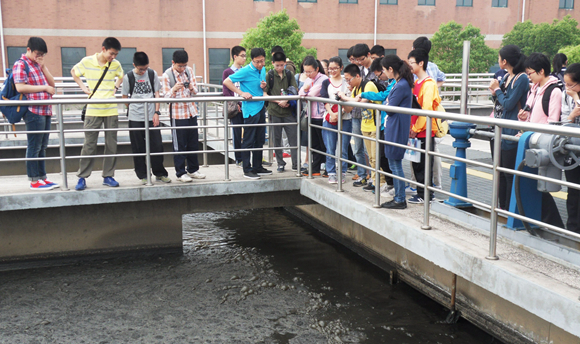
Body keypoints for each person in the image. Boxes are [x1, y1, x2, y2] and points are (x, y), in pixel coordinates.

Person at [516, 52, 564, 229]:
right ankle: (545, 221)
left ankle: (553, 223)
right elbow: (531, 114)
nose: (529, 77)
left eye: (530, 73)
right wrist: (524, 118)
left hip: (542, 143)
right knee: (532, 182)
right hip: (532, 140)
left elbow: (553, 121)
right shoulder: (535, 89)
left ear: (541, 71)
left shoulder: (554, 91)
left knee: (542, 185)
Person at [72, 37, 123, 191]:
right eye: (111, 53)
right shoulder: (88, 61)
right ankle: (82, 177)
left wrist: (115, 87)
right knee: (89, 144)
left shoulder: (115, 64)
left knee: (111, 144)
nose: (113, 57)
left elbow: (121, 76)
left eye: (115, 55)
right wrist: (83, 87)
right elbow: (74, 72)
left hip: (111, 109)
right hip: (93, 109)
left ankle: (108, 175)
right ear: (103, 49)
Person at [13, 37, 57, 190]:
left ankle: (42, 177)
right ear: (28, 50)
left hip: (45, 109)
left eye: (42, 54)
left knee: (42, 146)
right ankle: (34, 180)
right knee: (34, 146)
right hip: (33, 110)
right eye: (37, 54)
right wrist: (44, 88)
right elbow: (20, 87)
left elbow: (53, 84)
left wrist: (44, 67)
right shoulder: (21, 64)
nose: (40, 57)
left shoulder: (38, 65)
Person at [489, 45, 529, 211]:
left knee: (508, 174)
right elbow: (500, 103)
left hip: (511, 131)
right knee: (500, 173)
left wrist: (497, 89)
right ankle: (502, 208)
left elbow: (508, 103)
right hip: (500, 128)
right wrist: (495, 93)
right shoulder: (506, 77)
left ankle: (510, 211)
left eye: (499, 58)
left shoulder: (522, 78)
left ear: (504, 61)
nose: (498, 60)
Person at [121, 51, 170, 185]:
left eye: (145, 68)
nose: (143, 71)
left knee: (157, 146)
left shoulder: (152, 74)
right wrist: (133, 108)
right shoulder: (128, 77)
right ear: (134, 65)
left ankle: (160, 173)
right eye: (141, 69)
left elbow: (157, 94)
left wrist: (156, 112)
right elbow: (125, 97)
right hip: (135, 117)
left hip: (151, 116)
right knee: (138, 147)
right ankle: (143, 175)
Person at [223, 48, 272, 180]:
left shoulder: (262, 70)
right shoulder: (245, 70)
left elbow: (261, 87)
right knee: (249, 140)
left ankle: (257, 166)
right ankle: (247, 169)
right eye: (257, 62)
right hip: (250, 110)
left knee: (260, 139)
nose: (260, 64)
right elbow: (227, 81)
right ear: (252, 60)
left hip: (261, 107)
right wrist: (241, 93)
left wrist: (264, 86)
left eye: (262, 61)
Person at [161, 50, 206, 182]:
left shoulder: (189, 71)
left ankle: (193, 169)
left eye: (184, 66)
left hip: (191, 111)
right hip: (177, 115)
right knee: (179, 145)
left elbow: (196, 92)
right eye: (179, 66)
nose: (182, 69)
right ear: (173, 63)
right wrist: (174, 89)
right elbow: (165, 98)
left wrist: (191, 87)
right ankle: (180, 173)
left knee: (193, 142)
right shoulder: (167, 75)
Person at [338, 63, 381, 191]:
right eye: (345, 80)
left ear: (357, 76)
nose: (348, 82)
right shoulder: (355, 89)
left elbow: (361, 102)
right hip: (365, 126)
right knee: (367, 154)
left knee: (374, 157)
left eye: (349, 79)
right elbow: (350, 107)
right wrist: (343, 100)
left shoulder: (368, 85)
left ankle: (379, 182)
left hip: (374, 125)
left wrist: (345, 97)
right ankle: (373, 180)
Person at [379, 55, 414, 209]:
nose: (384, 73)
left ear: (391, 69)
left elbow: (390, 108)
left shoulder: (401, 85)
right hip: (395, 126)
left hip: (397, 127)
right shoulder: (400, 83)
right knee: (394, 164)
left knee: (395, 165)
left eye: (385, 70)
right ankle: (399, 197)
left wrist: (386, 102)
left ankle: (400, 198)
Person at [357, 57, 395, 196]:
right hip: (385, 124)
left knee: (387, 156)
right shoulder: (391, 82)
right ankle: (389, 184)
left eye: (381, 73)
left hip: (389, 124)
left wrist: (364, 94)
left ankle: (394, 186)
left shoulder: (398, 83)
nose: (380, 77)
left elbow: (384, 96)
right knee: (382, 156)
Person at [412, 36, 446, 190]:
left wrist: (431, 90)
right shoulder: (433, 67)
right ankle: (436, 183)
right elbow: (442, 79)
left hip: (424, 122)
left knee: (421, 156)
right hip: (429, 117)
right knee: (431, 153)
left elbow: (424, 108)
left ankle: (421, 187)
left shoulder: (420, 75)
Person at [407, 48, 440, 204]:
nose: (410, 66)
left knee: (424, 164)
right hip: (416, 130)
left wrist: (415, 128)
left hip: (424, 131)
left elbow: (426, 109)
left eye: (412, 63)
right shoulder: (416, 83)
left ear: (421, 63)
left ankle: (425, 194)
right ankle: (421, 192)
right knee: (417, 163)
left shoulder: (428, 84)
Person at [320, 56, 353, 184]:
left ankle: (342, 172)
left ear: (341, 68)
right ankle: (331, 172)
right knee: (330, 147)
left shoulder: (347, 82)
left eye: (335, 68)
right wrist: (332, 113)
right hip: (329, 118)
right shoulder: (326, 82)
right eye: (330, 69)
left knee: (343, 148)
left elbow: (350, 100)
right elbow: (324, 100)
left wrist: (340, 112)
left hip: (345, 118)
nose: (332, 71)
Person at [265, 51, 299, 173]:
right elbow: (265, 93)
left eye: (282, 65)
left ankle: (296, 163)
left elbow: (295, 90)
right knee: (276, 138)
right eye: (277, 65)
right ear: (273, 63)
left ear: (285, 63)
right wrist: (278, 101)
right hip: (274, 111)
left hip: (288, 111)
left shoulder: (289, 74)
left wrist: (286, 100)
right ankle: (280, 163)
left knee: (293, 139)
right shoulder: (269, 75)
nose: (279, 68)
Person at [350, 43, 376, 186]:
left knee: (371, 150)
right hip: (356, 113)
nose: (359, 62)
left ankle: (373, 177)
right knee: (357, 147)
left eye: (361, 59)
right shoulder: (358, 70)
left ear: (368, 54)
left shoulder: (376, 70)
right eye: (356, 60)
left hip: (371, 115)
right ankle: (362, 174)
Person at [299, 56, 329, 177]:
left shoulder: (323, 79)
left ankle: (329, 168)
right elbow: (300, 93)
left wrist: (306, 90)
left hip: (321, 116)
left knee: (324, 144)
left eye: (310, 71)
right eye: (305, 71)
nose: (308, 74)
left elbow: (311, 94)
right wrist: (305, 90)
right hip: (311, 115)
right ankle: (315, 168)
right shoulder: (308, 79)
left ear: (317, 69)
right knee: (314, 143)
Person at [561, 63, 580, 234]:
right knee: (573, 191)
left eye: (570, 84)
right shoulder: (566, 95)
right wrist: (571, 116)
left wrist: (576, 99)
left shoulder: (574, 96)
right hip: (573, 151)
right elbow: (565, 121)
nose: (567, 88)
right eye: (565, 84)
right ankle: (573, 228)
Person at [223, 45, 246, 168]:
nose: (244, 58)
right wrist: (236, 103)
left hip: (246, 106)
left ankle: (247, 157)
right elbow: (226, 91)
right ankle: (239, 159)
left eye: (245, 56)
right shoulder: (227, 72)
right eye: (242, 56)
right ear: (235, 57)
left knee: (248, 133)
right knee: (237, 133)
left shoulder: (246, 70)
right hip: (235, 108)